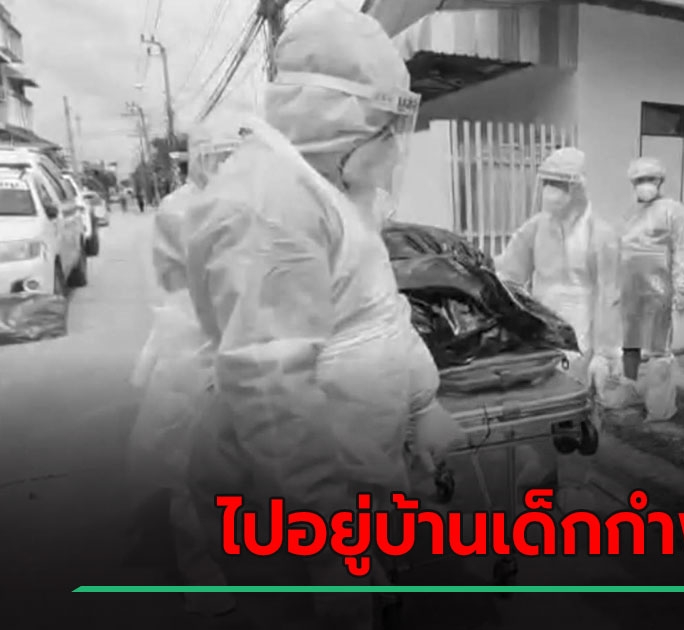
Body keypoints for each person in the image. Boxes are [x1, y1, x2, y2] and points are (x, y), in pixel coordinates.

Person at [180, 3, 460, 628]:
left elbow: (378, 311)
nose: (394, 147)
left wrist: (420, 402)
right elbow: (271, 389)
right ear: (339, 117)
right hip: (302, 503)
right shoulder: (267, 209)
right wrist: (325, 535)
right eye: (385, 127)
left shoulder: (326, 191)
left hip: (353, 473)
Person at [127, 119, 243, 618]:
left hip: (237, 340)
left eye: (234, 155)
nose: (226, 165)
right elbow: (175, 282)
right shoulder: (180, 209)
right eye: (218, 156)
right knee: (191, 468)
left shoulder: (252, 204)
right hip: (194, 345)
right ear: (197, 158)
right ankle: (206, 579)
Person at [495, 147, 621, 383]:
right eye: (547, 183)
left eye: (559, 184)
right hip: (541, 335)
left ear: (578, 188)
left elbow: (609, 296)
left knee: (579, 395)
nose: (550, 191)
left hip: (582, 338)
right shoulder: (535, 228)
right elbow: (508, 276)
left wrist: (605, 353)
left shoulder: (601, 235)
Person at [618, 157, 684, 412]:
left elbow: (682, 250)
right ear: (632, 183)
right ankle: (629, 392)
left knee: (658, 350)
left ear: (660, 181)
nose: (645, 184)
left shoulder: (674, 210)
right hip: (630, 289)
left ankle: (659, 405)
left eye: (650, 179)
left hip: (659, 291)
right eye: (639, 180)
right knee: (629, 344)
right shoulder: (630, 213)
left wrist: (681, 288)